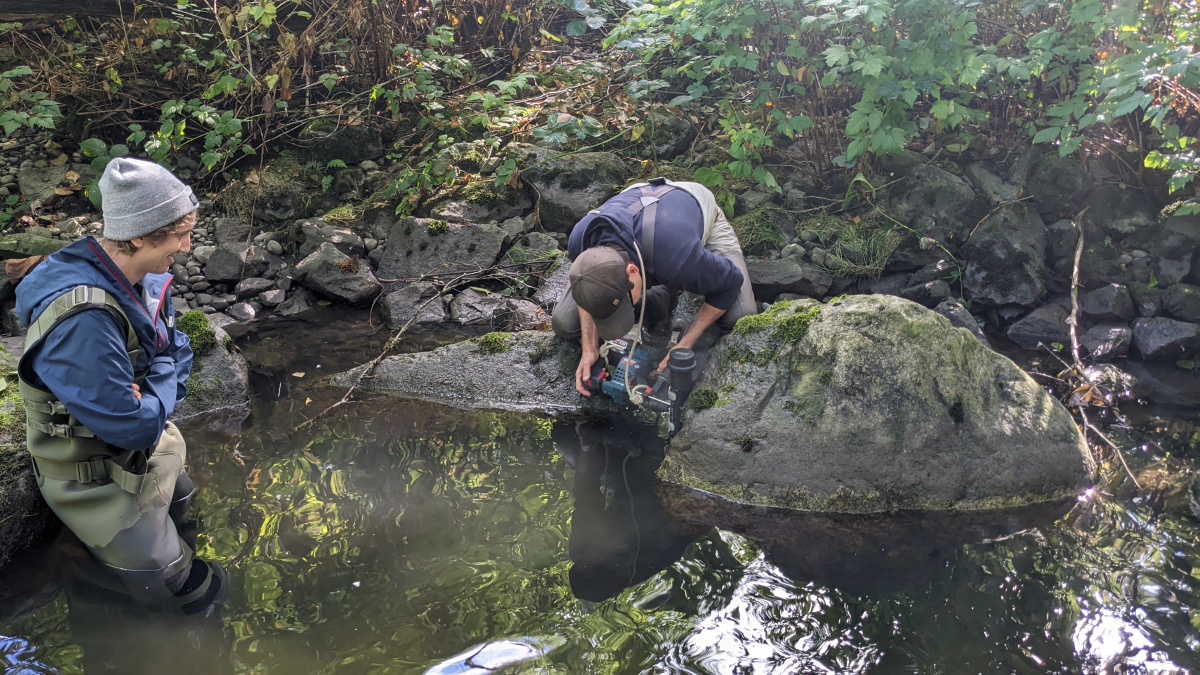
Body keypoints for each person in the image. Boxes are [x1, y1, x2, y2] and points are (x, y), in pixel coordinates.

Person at [15, 157, 225, 614]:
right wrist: (155, 391)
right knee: (183, 591)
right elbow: (132, 428)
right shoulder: (85, 320)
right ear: (140, 235)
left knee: (186, 500)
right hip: (92, 479)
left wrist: (152, 388)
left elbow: (178, 347)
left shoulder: (140, 278)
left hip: (143, 450)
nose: (188, 247)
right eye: (179, 235)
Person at [552, 177, 758, 396]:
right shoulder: (580, 239)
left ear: (632, 272)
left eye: (623, 304)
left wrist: (686, 345)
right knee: (565, 322)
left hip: (692, 206)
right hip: (639, 203)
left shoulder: (680, 259)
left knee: (740, 314)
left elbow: (731, 281)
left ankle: (674, 317)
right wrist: (589, 347)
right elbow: (585, 290)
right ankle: (659, 298)